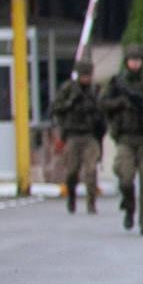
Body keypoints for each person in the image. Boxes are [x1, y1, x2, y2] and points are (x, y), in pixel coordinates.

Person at [100, 42, 143, 235]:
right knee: (125, 177)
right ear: (126, 61)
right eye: (131, 60)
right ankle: (129, 207)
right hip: (125, 138)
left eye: (138, 60)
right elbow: (103, 103)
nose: (134, 63)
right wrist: (121, 103)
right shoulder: (117, 82)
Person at [50, 57, 105, 214]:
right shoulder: (68, 89)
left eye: (88, 75)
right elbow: (56, 108)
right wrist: (70, 103)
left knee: (91, 170)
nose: (85, 78)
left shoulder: (94, 91)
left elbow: (103, 112)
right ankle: (71, 197)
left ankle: (91, 203)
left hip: (90, 136)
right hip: (72, 135)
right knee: (72, 171)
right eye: (82, 75)